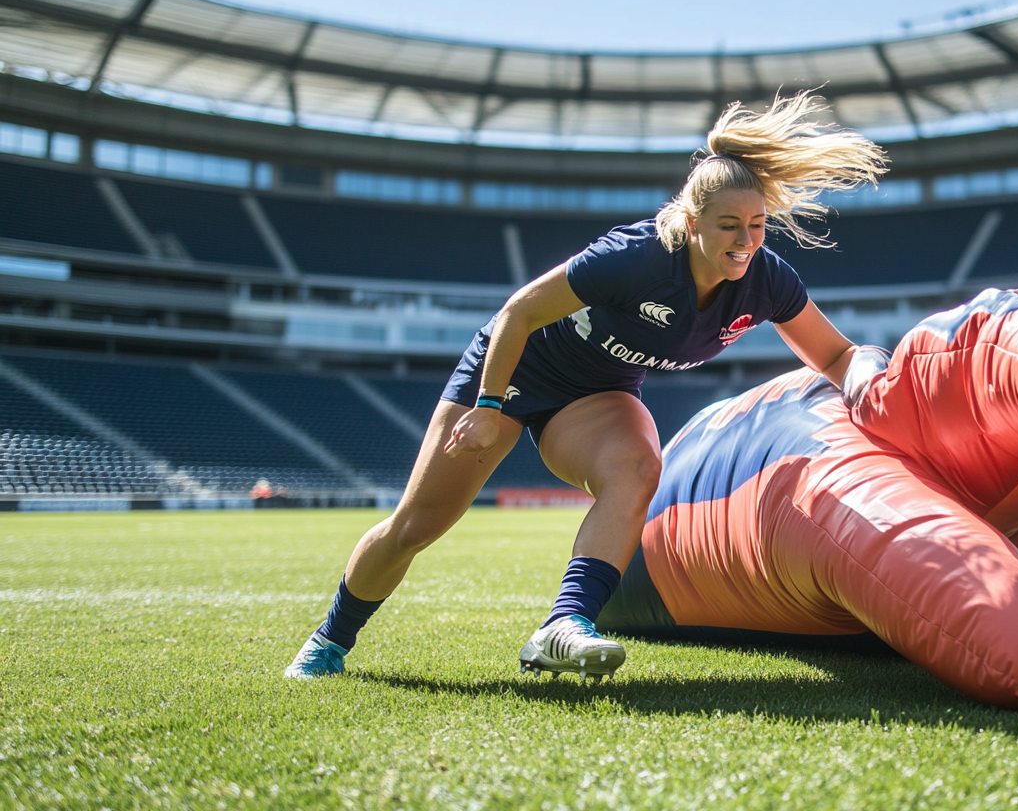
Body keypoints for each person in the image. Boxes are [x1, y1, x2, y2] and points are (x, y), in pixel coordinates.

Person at [284, 91, 888, 681]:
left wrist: (869, 378)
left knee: (636, 465)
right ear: (692, 221)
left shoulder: (767, 280)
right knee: (417, 525)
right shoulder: (639, 257)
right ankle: (329, 640)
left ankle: (564, 625)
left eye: (757, 225)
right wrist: (490, 405)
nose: (745, 240)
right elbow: (519, 312)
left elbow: (835, 354)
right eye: (729, 225)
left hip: (595, 390)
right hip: (513, 368)